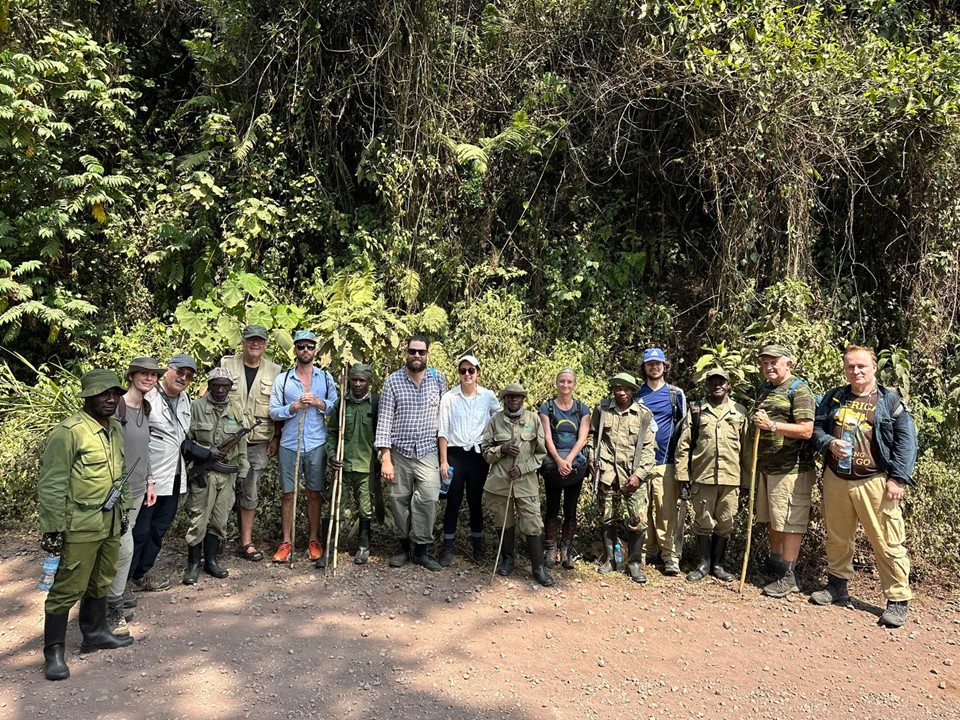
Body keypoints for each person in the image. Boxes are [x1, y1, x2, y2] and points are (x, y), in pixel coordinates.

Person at [810, 345, 918, 628]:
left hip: (874, 480)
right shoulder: (835, 397)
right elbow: (817, 428)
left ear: (873, 368)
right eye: (850, 367)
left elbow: (907, 442)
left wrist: (898, 478)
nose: (856, 371)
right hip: (837, 478)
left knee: (886, 541)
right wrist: (828, 443)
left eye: (861, 366)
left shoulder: (889, 400)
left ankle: (897, 599)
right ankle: (837, 586)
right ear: (844, 369)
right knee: (837, 537)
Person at [38, 370, 133, 681]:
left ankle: (95, 634)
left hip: (110, 521)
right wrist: (53, 529)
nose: (111, 399)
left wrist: (124, 511)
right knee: (68, 586)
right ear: (88, 396)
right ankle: (53, 652)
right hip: (79, 524)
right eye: (103, 393)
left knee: (101, 579)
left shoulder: (115, 428)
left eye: (115, 393)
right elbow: (52, 484)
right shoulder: (69, 432)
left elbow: (120, 473)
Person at [131, 354, 215, 591]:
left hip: (176, 475)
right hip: (149, 476)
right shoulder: (148, 396)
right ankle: (123, 580)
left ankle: (141, 573)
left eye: (189, 376)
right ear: (167, 370)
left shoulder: (186, 399)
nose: (183, 378)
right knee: (139, 530)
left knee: (159, 529)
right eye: (180, 372)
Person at [375, 335, 448, 571]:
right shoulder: (393, 381)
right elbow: (384, 421)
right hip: (400, 451)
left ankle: (421, 550)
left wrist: (445, 457)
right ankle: (403, 547)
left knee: (428, 498)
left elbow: (445, 418)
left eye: (421, 352)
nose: (417, 355)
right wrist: (385, 459)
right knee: (399, 499)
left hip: (428, 450)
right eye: (412, 351)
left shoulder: (438, 380)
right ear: (406, 353)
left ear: (428, 354)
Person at [751, 343, 817, 598]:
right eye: (765, 363)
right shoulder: (765, 388)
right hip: (769, 467)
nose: (768, 367)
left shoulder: (799, 390)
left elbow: (806, 430)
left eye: (774, 362)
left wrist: (772, 426)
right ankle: (776, 562)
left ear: (788, 363)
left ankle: (789, 576)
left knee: (790, 520)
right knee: (775, 518)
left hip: (792, 469)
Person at [268, 330, 338, 564]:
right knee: (288, 493)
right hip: (290, 442)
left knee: (314, 492)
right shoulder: (284, 379)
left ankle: (314, 540)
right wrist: (293, 407)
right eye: (301, 346)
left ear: (315, 350)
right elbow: (273, 411)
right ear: (295, 350)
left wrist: (318, 402)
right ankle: (286, 542)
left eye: (309, 346)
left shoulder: (325, 377)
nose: (305, 350)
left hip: (316, 442)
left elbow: (335, 405)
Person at [675, 369, 749, 582]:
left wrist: (746, 482)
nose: (717, 385)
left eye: (721, 382)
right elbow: (684, 445)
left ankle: (718, 565)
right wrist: (683, 476)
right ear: (707, 385)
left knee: (726, 522)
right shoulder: (697, 410)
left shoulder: (739, 411)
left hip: (731, 478)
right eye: (713, 382)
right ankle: (703, 564)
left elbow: (746, 449)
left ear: (728, 385)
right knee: (703, 521)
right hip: (703, 476)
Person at [106, 357, 162, 636]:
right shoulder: (117, 407)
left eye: (153, 375)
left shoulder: (146, 407)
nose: (149, 379)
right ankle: (111, 607)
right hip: (117, 492)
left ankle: (110, 598)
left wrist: (150, 480)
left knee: (120, 546)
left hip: (139, 489)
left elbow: (144, 449)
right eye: (144, 374)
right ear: (131, 376)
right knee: (124, 547)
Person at [182, 367, 250, 585]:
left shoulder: (236, 409)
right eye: (216, 385)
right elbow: (185, 441)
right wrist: (204, 453)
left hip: (227, 475)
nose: (220, 390)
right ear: (209, 386)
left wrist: (242, 472)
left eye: (225, 386)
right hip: (204, 474)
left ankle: (211, 561)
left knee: (220, 520)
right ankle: (193, 564)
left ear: (230, 388)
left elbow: (241, 446)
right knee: (199, 520)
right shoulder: (196, 407)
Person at [221, 324, 281, 562]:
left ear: (265, 344)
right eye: (251, 340)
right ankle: (216, 540)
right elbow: (212, 398)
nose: (255, 344)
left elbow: (278, 408)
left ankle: (246, 542)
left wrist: (276, 437)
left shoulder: (275, 371)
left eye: (260, 340)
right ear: (243, 341)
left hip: (258, 441)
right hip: (228, 442)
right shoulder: (227, 365)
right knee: (223, 492)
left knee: (250, 492)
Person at [482, 383, 553, 586]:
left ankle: (538, 568)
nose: (514, 399)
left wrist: (523, 468)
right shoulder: (495, 421)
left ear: (523, 399)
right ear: (504, 399)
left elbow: (541, 453)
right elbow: (485, 452)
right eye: (510, 396)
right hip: (500, 481)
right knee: (503, 521)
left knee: (532, 522)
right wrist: (501, 449)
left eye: (518, 396)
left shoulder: (533, 419)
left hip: (526, 481)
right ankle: (508, 560)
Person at [590, 373, 657, 583]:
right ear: (613, 390)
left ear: (633, 391)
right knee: (607, 516)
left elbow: (649, 450)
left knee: (639, 520)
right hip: (607, 473)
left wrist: (639, 475)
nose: (622, 392)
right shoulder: (602, 409)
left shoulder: (644, 415)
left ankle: (634, 563)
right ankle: (611, 559)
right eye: (618, 388)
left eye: (626, 389)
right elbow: (592, 436)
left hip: (633, 474)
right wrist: (592, 459)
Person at [437, 354, 500, 566]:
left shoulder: (487, 396)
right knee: (453, 501)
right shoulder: (449, 397)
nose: (467, 374)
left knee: (475, 501)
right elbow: (443, 430)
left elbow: (500, 418)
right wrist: (443, 461)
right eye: (463, 371)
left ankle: (478, 549)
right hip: (455, 454)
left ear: (478, 372)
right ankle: (447, 549)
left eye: (471, 370)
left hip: (478, 456)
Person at [635, 347, 687, 576]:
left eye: (658, 364)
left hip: (666, 462)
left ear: (665, 366)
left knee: (666, 512)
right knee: (642, 510)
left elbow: (684, 428)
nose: (654, 367)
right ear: (644, 367)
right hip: (640, 463)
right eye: (650, 364)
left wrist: (683, 464)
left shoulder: (675, 394)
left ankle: (670, 557)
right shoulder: (637, 394)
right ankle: (646, 552)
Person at [325, 363, 379, 566]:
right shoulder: (341, 404)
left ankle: (363, 547)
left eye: (361, 380)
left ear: (369, 382)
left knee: (365, 508)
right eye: (354, 380)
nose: (357, 384)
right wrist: (331, 455)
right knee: (335, 506)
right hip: (342, 466)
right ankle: (329, 547)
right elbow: (331, 432)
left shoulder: (376, 404)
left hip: (365, 467)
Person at [538, 369, 590, 570]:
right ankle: (550, 550)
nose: (565, 385)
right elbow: (547, 437)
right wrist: (559, 460)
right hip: (553, 464)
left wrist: (568, 459)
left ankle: (566, 551)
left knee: (570, 508)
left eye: (569, 382)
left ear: (574, 384)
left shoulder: (581, 409)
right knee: (552, 507)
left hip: (575, 463)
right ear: (556, 383)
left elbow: (582, 437)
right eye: (562, 381)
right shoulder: (547, 407)